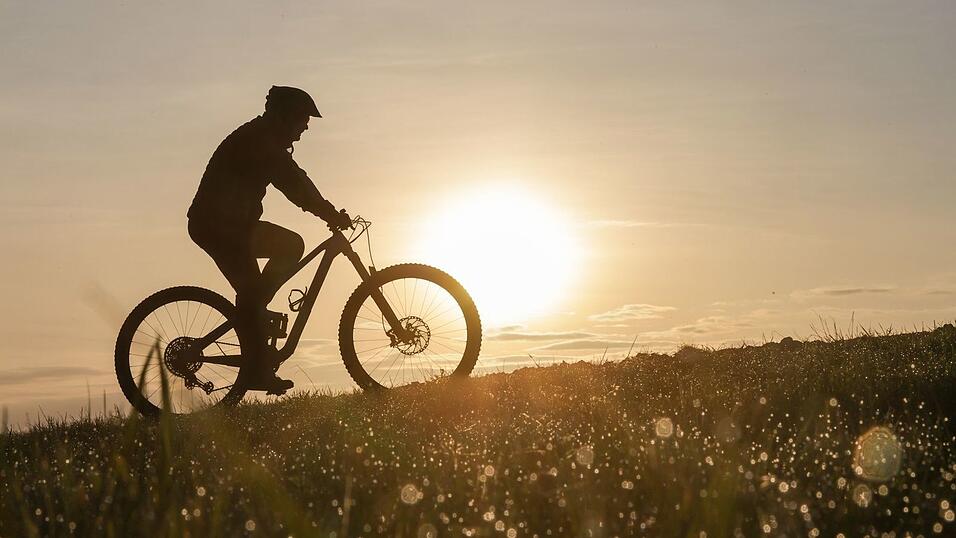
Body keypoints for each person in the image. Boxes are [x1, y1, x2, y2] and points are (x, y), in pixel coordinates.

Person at [187, 85, 350, 394]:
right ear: (285, 116)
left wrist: (327, 211)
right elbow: (294, 184)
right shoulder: (260, 142)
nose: (304, 129)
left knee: (283, 255)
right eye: (302, 120)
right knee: (261, 280)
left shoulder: (265, 139)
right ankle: (256, 361)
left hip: (233, 225)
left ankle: (254, 323)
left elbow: (296, 177)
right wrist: (329, 214)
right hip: (219, 226)